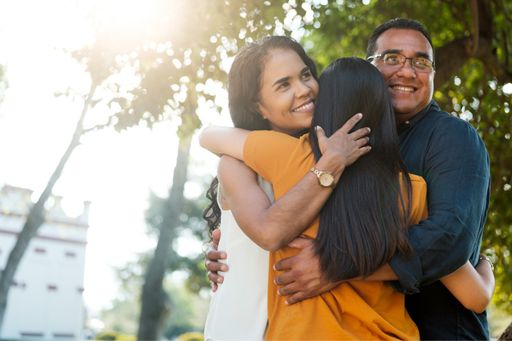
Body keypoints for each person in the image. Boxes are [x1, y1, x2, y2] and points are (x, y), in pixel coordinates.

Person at [206, 19, 494, 340]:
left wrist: (337, 265)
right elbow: (476, 294)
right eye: (392, 58)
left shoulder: (286, 157)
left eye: (305, 76)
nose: (407, 71)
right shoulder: (409, 188)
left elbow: (449, 240)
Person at [202, 36, 371, 340]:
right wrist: (330, 167)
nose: (304, 90)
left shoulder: (334, 150)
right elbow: (269, 233)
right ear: (258, 106)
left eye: (305, 75)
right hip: (247, 329)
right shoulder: (237, 164)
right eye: (283, 85)